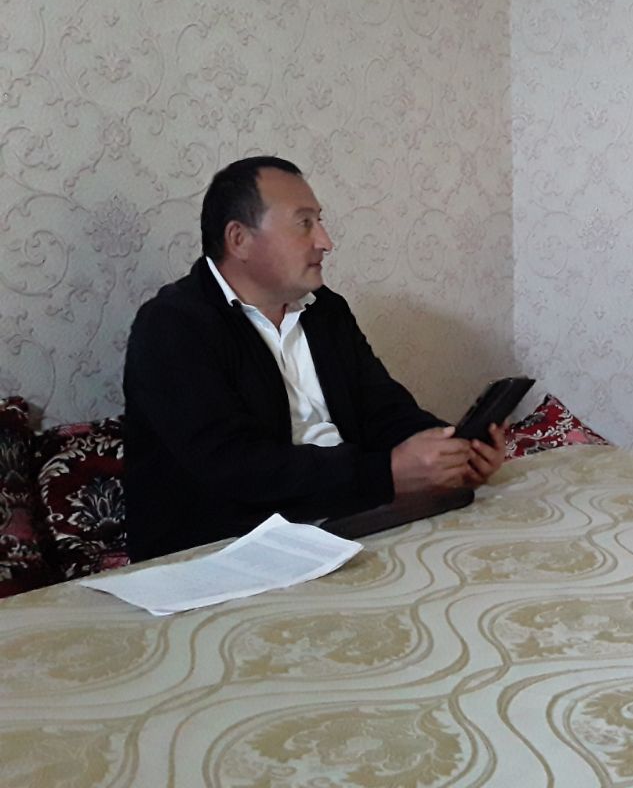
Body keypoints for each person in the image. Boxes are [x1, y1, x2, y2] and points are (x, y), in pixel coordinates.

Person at [123, 156, 505, 561]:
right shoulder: (172, 326)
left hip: (347, 521)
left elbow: (383, 410)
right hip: (227, 551)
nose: (325, 241)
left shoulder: (326, 311)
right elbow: (235, 467)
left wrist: (451, 449)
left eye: (319, 222)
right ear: (239, 239)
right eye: (304, 223)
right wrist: (384, 473)